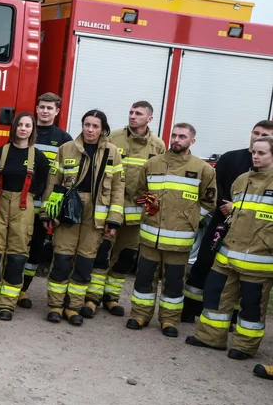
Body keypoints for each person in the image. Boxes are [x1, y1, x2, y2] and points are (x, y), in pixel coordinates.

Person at [124, 123, 215, 337]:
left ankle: (169, 320)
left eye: (182, 136)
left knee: (174, 283)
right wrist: (149, 205)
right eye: (174, 135)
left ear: (192, 141)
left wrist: (189, 220)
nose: (176, 139)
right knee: (144, 278)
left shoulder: (203, 169)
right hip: (150, 236)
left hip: (179, 240)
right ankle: (140, 315)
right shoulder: (152, 164)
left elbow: (208, 202)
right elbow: (140, 192)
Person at [187, 136, 273, 361]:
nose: (255, 156)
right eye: (254, 151)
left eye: (262, 153)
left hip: (259, 259)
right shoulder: (242, 179)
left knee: (252, 306)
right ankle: (210, 337)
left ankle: (245, 346)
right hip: (227, 254)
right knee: (216, 297)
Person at [40, 109, 124, 326]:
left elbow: (117, 189)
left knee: (85, 263)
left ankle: (73, 307)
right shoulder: (66, 149)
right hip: (69, 212)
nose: (90, 130)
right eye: (87, 124)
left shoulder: (112, 153)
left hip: (96, 215)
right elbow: (53, 183)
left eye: (95, 126)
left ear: (102, 129)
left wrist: (113, 219)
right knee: (62, 258)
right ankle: (55, 306)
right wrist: (47, 213)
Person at [90, 101, 166, 317]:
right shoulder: (113, 138)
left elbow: (158, 180)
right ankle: (92, 297)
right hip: (109, 209)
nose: (133, 116)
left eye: (138, 113)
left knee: (125, 258)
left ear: (149, 119)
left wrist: (150, 203)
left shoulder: (158, 145)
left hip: (135, 215)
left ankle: (111, 298)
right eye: (131, 112)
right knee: (101, 254)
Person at [0, 113, 49, 320]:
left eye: (27, 125)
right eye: (20, 124)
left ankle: (8, 304)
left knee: (17, 257)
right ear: (14, 128)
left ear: (32, 129)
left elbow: (42, 186)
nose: (23, 128)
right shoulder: (0, 153)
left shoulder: (38, 158)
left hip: (23, 209)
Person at [19, 93, 73, 307]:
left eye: (49, 108)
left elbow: (65, 176)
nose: (45, 111)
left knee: (35, 249)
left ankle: (23, 289)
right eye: (41, 107)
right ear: (36, 108)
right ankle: (10, 285)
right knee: (15, 245)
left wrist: (54, 208)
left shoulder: (63, 139)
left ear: (57, 111)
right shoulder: (25, 131)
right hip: (22, 201)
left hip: (45, 206)